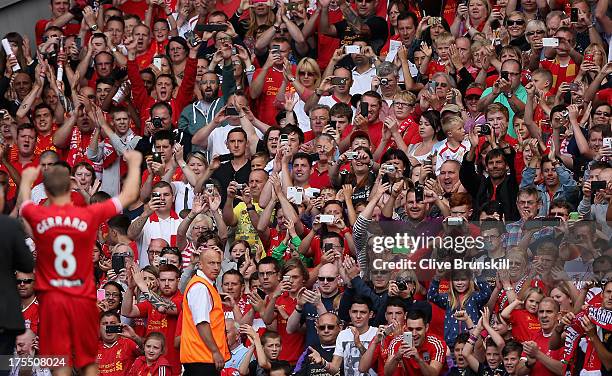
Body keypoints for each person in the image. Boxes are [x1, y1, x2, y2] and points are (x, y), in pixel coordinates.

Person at [18, 150, 142, 376]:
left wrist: (27, 180)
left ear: (45, 191)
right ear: (71, 186)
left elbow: (24, 204)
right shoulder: (88, 215)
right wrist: (133, 163)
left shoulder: (38, 216)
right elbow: (130, 193)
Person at [180, 246, 230, 375]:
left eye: (218, 263)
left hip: (201, 356)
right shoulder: (200, 287)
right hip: (202, 357)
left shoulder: (204, 284)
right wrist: (215, 351)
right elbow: (201, 323)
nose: (216, 267)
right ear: (200, 265)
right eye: (211, 263)